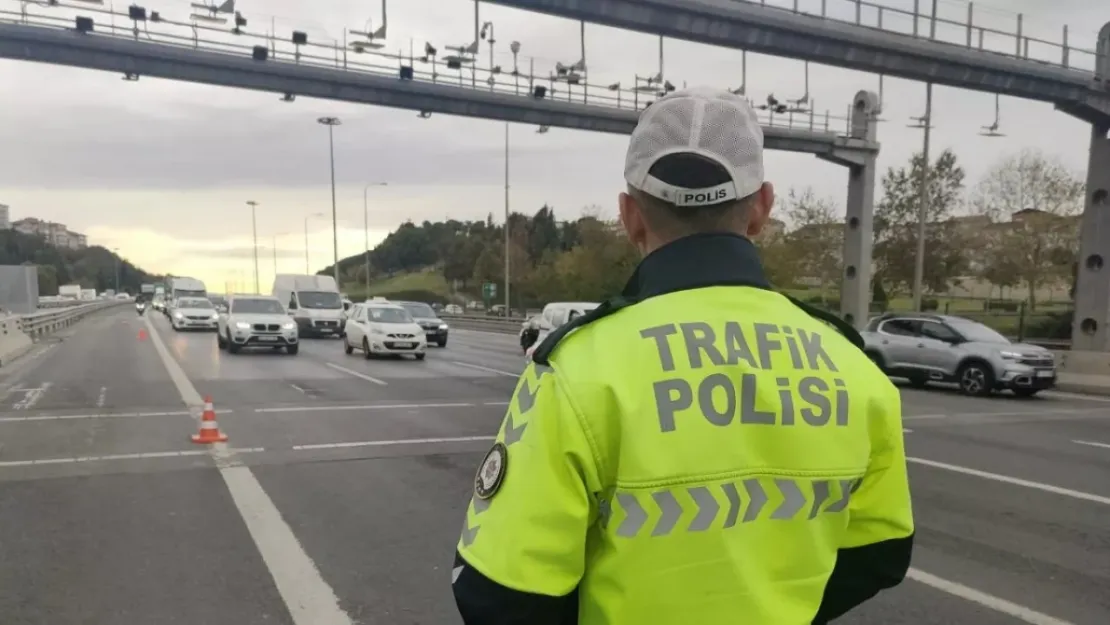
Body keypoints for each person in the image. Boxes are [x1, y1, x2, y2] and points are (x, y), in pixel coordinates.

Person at [451, 87, 914, 625]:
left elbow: (499, 592)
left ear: (630, 216)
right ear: (762, 208)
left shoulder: (578, 370)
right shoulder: (853, 367)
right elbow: (881, 551)